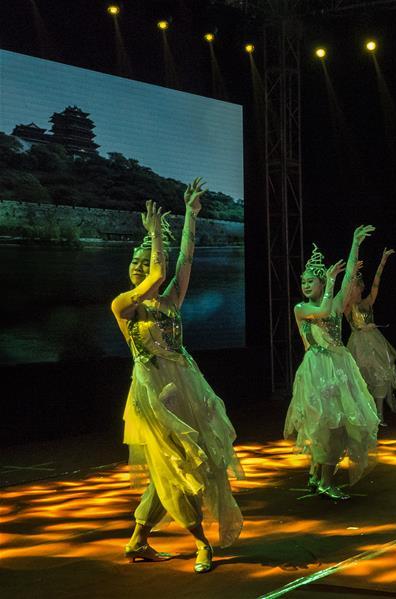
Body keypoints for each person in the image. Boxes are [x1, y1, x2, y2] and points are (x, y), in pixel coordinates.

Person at [111, 180, 243, 573]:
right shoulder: (123, 305)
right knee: (177, 466)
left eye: (142, 260)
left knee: (171, 468)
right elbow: (155, 275)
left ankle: (137, 540)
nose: (138, 267)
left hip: (185, 385)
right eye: (134, 262)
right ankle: (202, 543)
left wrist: (190, 215)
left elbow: (184, 260)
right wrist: (152, 236)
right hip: (152, 394)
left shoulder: (170, 301)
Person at [284, 227, 381, 500]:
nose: (305, 285)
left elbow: (349, 277)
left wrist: (354, 244)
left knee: (337, 426)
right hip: (317, 369)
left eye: (310, 281)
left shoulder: (338, 303)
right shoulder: (301, 309)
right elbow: (323, 311)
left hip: (339, 367)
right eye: (303, 281)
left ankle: (320, 476)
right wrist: (328, 283)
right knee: (322, 425)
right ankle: (322, 478)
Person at [345, 248, 396, 424]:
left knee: (380, 375)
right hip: (358, 343)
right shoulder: (346, 306)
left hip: (374, 341)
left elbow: (377, 282)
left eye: (356, 285)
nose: (355, 289)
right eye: (352, 286)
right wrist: (351, 273)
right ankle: (363, 413)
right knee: (360, 377)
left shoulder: (367, 302)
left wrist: (383, 261)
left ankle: (379, 413)